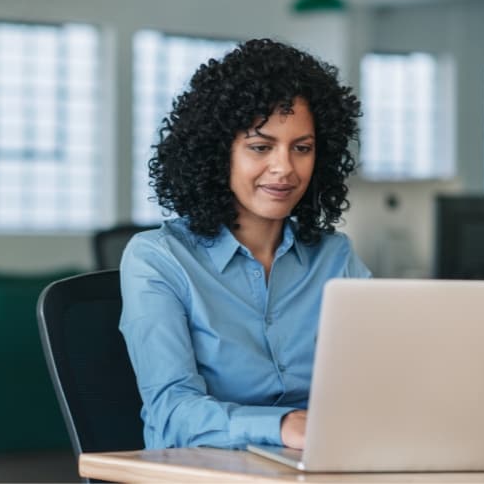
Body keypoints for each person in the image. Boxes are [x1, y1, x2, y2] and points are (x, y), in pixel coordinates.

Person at [119, 38, 371, 451]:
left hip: (320, 467)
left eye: (302, 148)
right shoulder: (158, 259)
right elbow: (170, 411)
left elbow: (380, 381)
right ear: (219, 154)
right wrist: (282, 425)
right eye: (260, 147)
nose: (284, 169)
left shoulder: (335, 258)